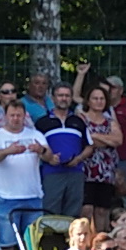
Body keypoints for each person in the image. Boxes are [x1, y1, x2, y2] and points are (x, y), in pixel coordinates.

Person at [0, 99, 51, 250]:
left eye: (19, 115)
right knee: (7, 244)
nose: (15, 118)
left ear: (24, 116)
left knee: (34, 244)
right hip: (6, 198)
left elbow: (50, 157)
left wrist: (41, 150)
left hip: (33, 197)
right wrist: (8, 151)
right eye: (12, 115)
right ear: (6, 116)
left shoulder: (35, 135)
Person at [37, 81, 91, 218]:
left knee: (73, 214)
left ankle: (71, 239)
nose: (64, 98)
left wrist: (78, 158)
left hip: (75, 172)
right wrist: (48, 158)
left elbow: (90, 146)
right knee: (50, 212)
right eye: (60, 95)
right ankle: (51, 240)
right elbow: (36, 148)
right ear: (53, 98)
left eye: (67, 95)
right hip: (51, 173)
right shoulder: (42, 122)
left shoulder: (79, 121)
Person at [78, 83, 123, 231]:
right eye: (95, 98)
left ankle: (101, 242)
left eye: (102, 98)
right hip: (86, 170)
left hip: (106, 172)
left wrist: (96, 135)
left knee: (102, 210)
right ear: (88, 101)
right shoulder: (81, 118)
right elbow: (86, 141)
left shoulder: (110, 120)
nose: (98, 101)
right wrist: (106, 139)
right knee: (86, 209)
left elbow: (118, 140)